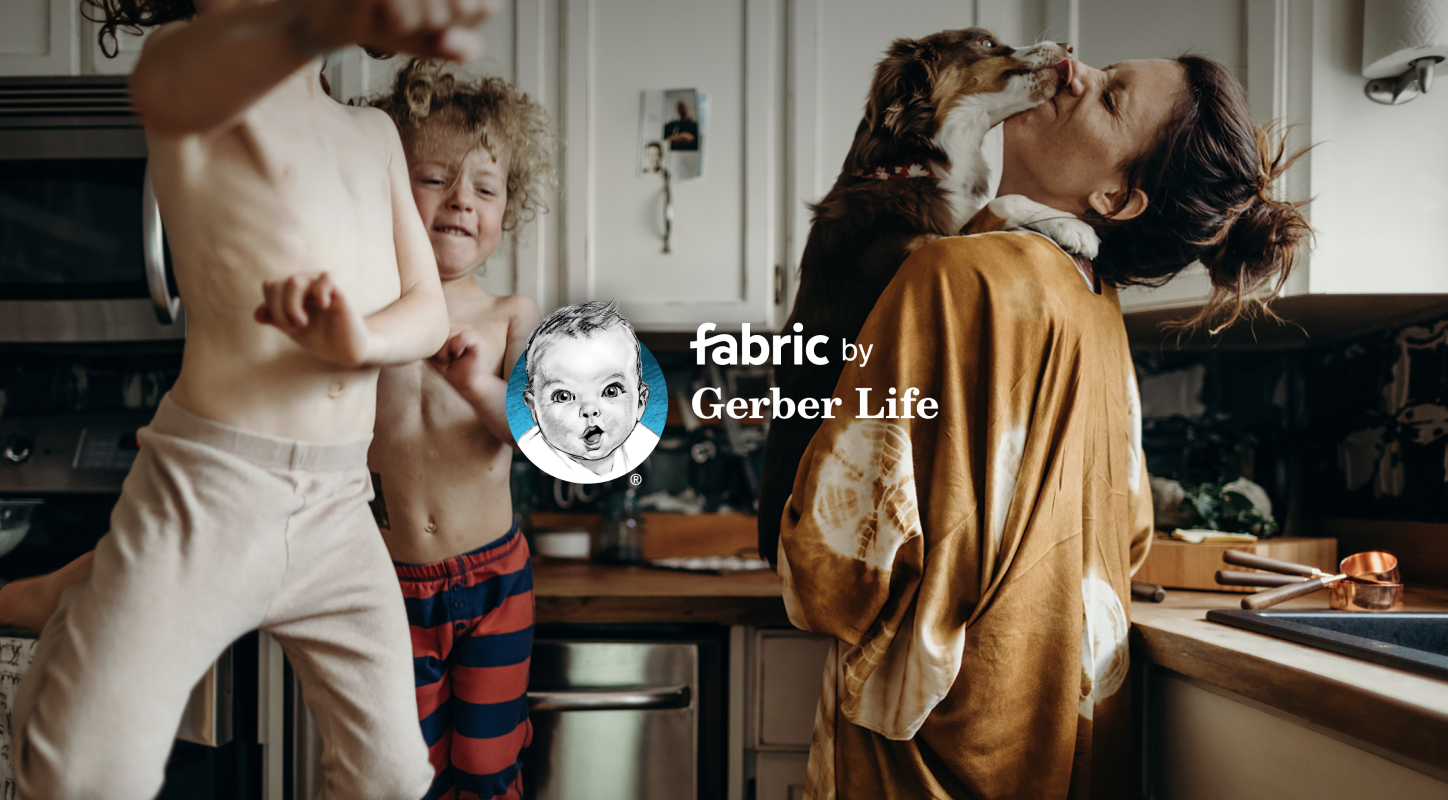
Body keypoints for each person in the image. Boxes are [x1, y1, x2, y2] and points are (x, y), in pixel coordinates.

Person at [773, 56, 1311, 799]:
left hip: (931, 746)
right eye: (1105, 68)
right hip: (1057, 728)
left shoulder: (952, 276)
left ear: (1116, 196)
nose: (1072, 70)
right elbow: (1130, 537)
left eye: (1111, 95)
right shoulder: (1096, 306)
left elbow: (832, 571)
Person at [8, 2, 489, 799]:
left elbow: (426, 306)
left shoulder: (370, 138)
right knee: (87, 780)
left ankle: (88, 587)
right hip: (213, 488)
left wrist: (356, 343)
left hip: (340, 506)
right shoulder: (191, 77)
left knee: (394, 778)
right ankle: (81, 608)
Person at [367, 59, 551, 800]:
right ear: (387, 187)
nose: (459, 202)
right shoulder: (368, 309)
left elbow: (538, 430)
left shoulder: (511, 311)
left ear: (509, 208)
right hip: (385, 584)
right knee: (401, 776)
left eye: (484, 186)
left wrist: (478, 384)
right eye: (433, 177)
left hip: (494, 578)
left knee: (485, 768)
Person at [516, 301, 659, 483]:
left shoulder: (642, 443)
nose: (589, 409)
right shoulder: (533, 453)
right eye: (564, 396)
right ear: (533, 408)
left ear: (640, 403)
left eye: (611, 391)